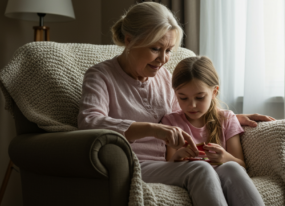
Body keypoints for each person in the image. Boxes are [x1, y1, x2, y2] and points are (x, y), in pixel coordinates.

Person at [77, 2, 273, 205]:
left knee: (229, 168)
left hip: (170, 164)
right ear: (129, 41)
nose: (163, 59)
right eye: (155, 49)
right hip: (133, 163)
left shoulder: (163, 77)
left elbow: (187, 112)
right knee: (200, 168)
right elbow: (89, 122)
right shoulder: (100, 75)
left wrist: (231, 117)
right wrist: (153, 129)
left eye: (169, 50)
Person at [161, 56, 265, 205]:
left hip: (224, 176)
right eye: (183, 98)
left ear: (214, 92)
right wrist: (178, 156)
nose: (192, 105)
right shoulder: (171, 122)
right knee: (205, 168)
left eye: (200, 97)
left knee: (231, 167)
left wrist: (225, 157)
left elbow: (240, 164)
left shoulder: (226, 119)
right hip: (194, 178)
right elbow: (169, 166)